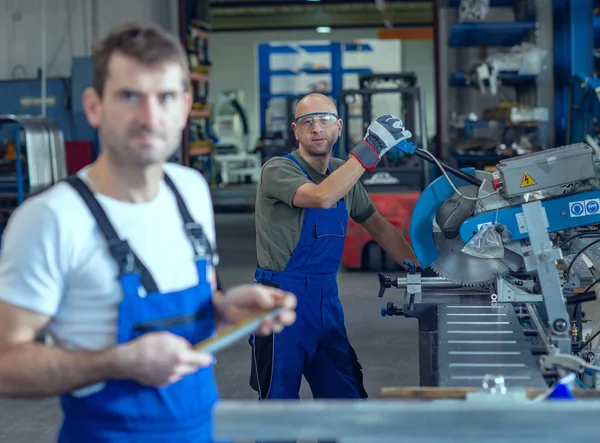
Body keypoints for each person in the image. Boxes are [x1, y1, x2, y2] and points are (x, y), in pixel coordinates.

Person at [0, 21, 296, 443]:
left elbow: (195, 302)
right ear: (93, 106)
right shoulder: (50, 219)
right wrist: (116, 362)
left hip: (204, 431)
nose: (149, 117)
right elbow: (6, 364)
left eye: (166, 97)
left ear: (184, 107)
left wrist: (225, 308)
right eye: (129, 96)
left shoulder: (189, 191)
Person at [249, 93, 419, 402]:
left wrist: (420, 268)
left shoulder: (343, 173)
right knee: (278, 410)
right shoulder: (277, 169)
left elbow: (377, 225)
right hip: (280, 303)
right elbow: (320, 197)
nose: (317, 128)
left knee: (345, 403)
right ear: (296, 131)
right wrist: (371, 150)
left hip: (327, 302)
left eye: (325, 120)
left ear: (339, 126)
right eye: (307, 122)